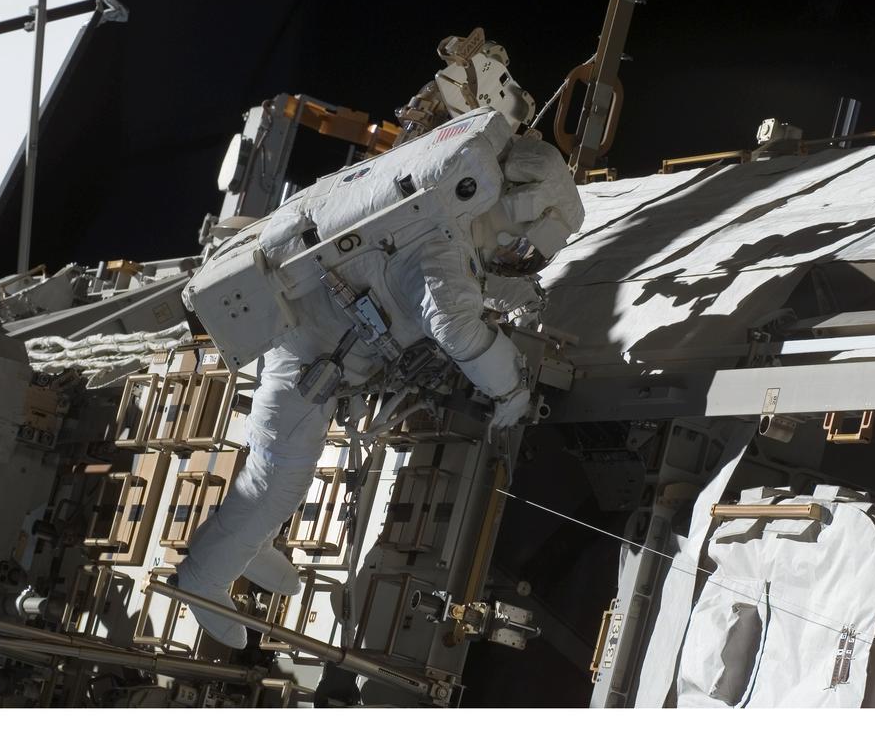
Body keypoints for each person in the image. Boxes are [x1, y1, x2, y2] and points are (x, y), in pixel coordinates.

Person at [175, 34, 584, 648]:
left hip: (310, 320)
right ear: (519, 206)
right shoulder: (442, 240)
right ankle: (204, 580)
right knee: (277, 472)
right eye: (522, 243)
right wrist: (513, 397)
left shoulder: (438, 187)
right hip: (302, 342)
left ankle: (248, 543)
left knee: (280, 467)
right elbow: (457, 330)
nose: (513, 254)